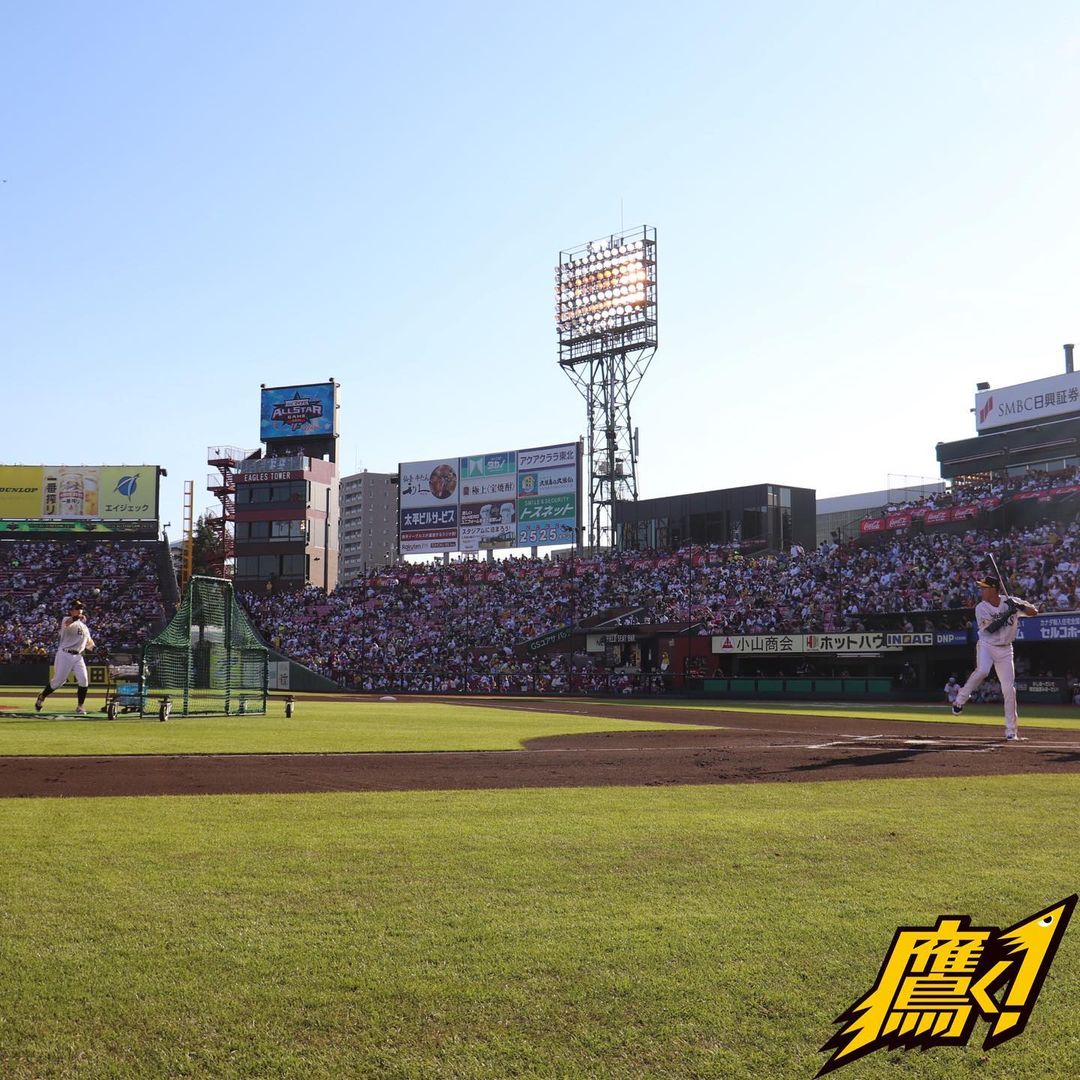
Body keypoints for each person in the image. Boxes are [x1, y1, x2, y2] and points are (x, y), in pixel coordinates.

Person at [951, 575, 1038, 740]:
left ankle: (1011, 731)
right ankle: (960, 699)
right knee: (983, 671)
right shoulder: (981, 607)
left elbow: (1034, 612)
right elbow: (991, 629)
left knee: (1008, 689)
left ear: (993, 589)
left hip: (1006, 649)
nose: (981, 591)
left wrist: (1019, 606)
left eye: (984, 588)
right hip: (987, 645)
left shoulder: (1010, 601)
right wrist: (1008, 613)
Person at [35, 599, 95, 715]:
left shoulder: (84, 627)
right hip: (65, 654)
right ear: (71, 611)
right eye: (77, 608)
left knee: (84, 680)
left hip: (78, 656)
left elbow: (89, 643)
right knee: (58, 681)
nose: (80, 610)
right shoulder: (66, 620)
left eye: (81, 608)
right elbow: (69, 622)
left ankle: (80, 706)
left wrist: (98, 649)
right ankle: (42, 696)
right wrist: (77, 617)